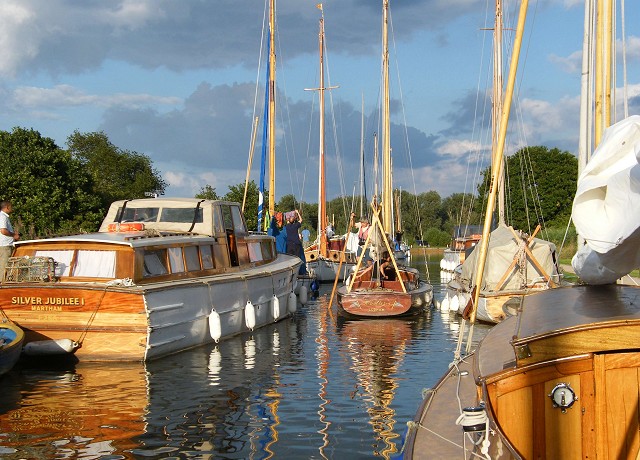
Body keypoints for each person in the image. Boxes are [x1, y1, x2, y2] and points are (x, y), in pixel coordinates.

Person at [0, 201, 19, 281]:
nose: (12, 208)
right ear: (7, 207)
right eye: (11, 207)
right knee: (5, 265)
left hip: (4, 244)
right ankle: (2, 283)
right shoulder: (2, 216)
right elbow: (3, 230)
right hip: (5, 245)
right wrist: (14, 235)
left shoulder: (3, 216)